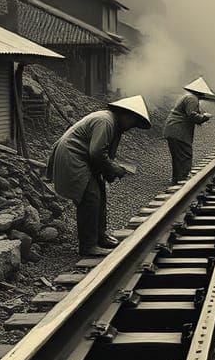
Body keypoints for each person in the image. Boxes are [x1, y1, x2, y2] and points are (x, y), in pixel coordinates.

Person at [48, 95, 152, 257]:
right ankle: (88, 246)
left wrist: (110, 171)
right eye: (133, 122)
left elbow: (101, 154)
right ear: (127, 116)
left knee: (100, 194)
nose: (132, 127)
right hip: (73, 157)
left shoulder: (112, 123)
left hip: (83, 158)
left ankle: (100, 237)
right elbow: (96, 152)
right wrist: (114, 168)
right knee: (90, 198)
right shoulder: (106, 121)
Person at [163, 76, 214, 183]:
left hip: (172, 129)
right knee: (185, 156)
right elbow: (192, 115)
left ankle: (176, 180)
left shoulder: (186, 97)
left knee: (177, 157)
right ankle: (182, 181)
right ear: (200, 92)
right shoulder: (192, 99)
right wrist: (205, 117)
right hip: (179, 131)